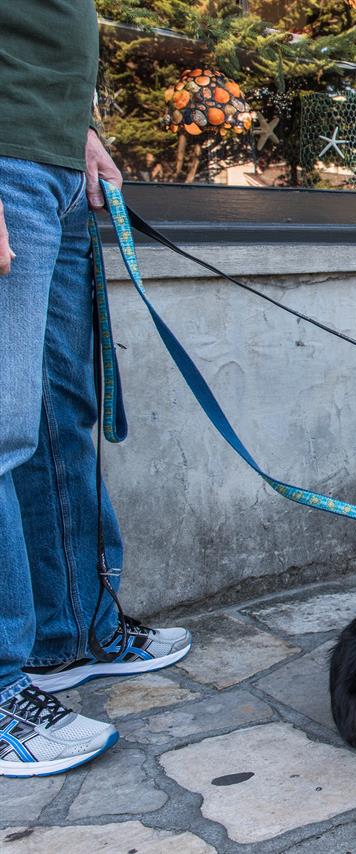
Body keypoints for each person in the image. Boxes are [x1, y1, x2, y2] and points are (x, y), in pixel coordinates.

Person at [1, 0, 191, 777]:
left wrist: (67, 130)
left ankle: (70, 637)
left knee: (54, 418)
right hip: (9, 168)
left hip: (47, 162)